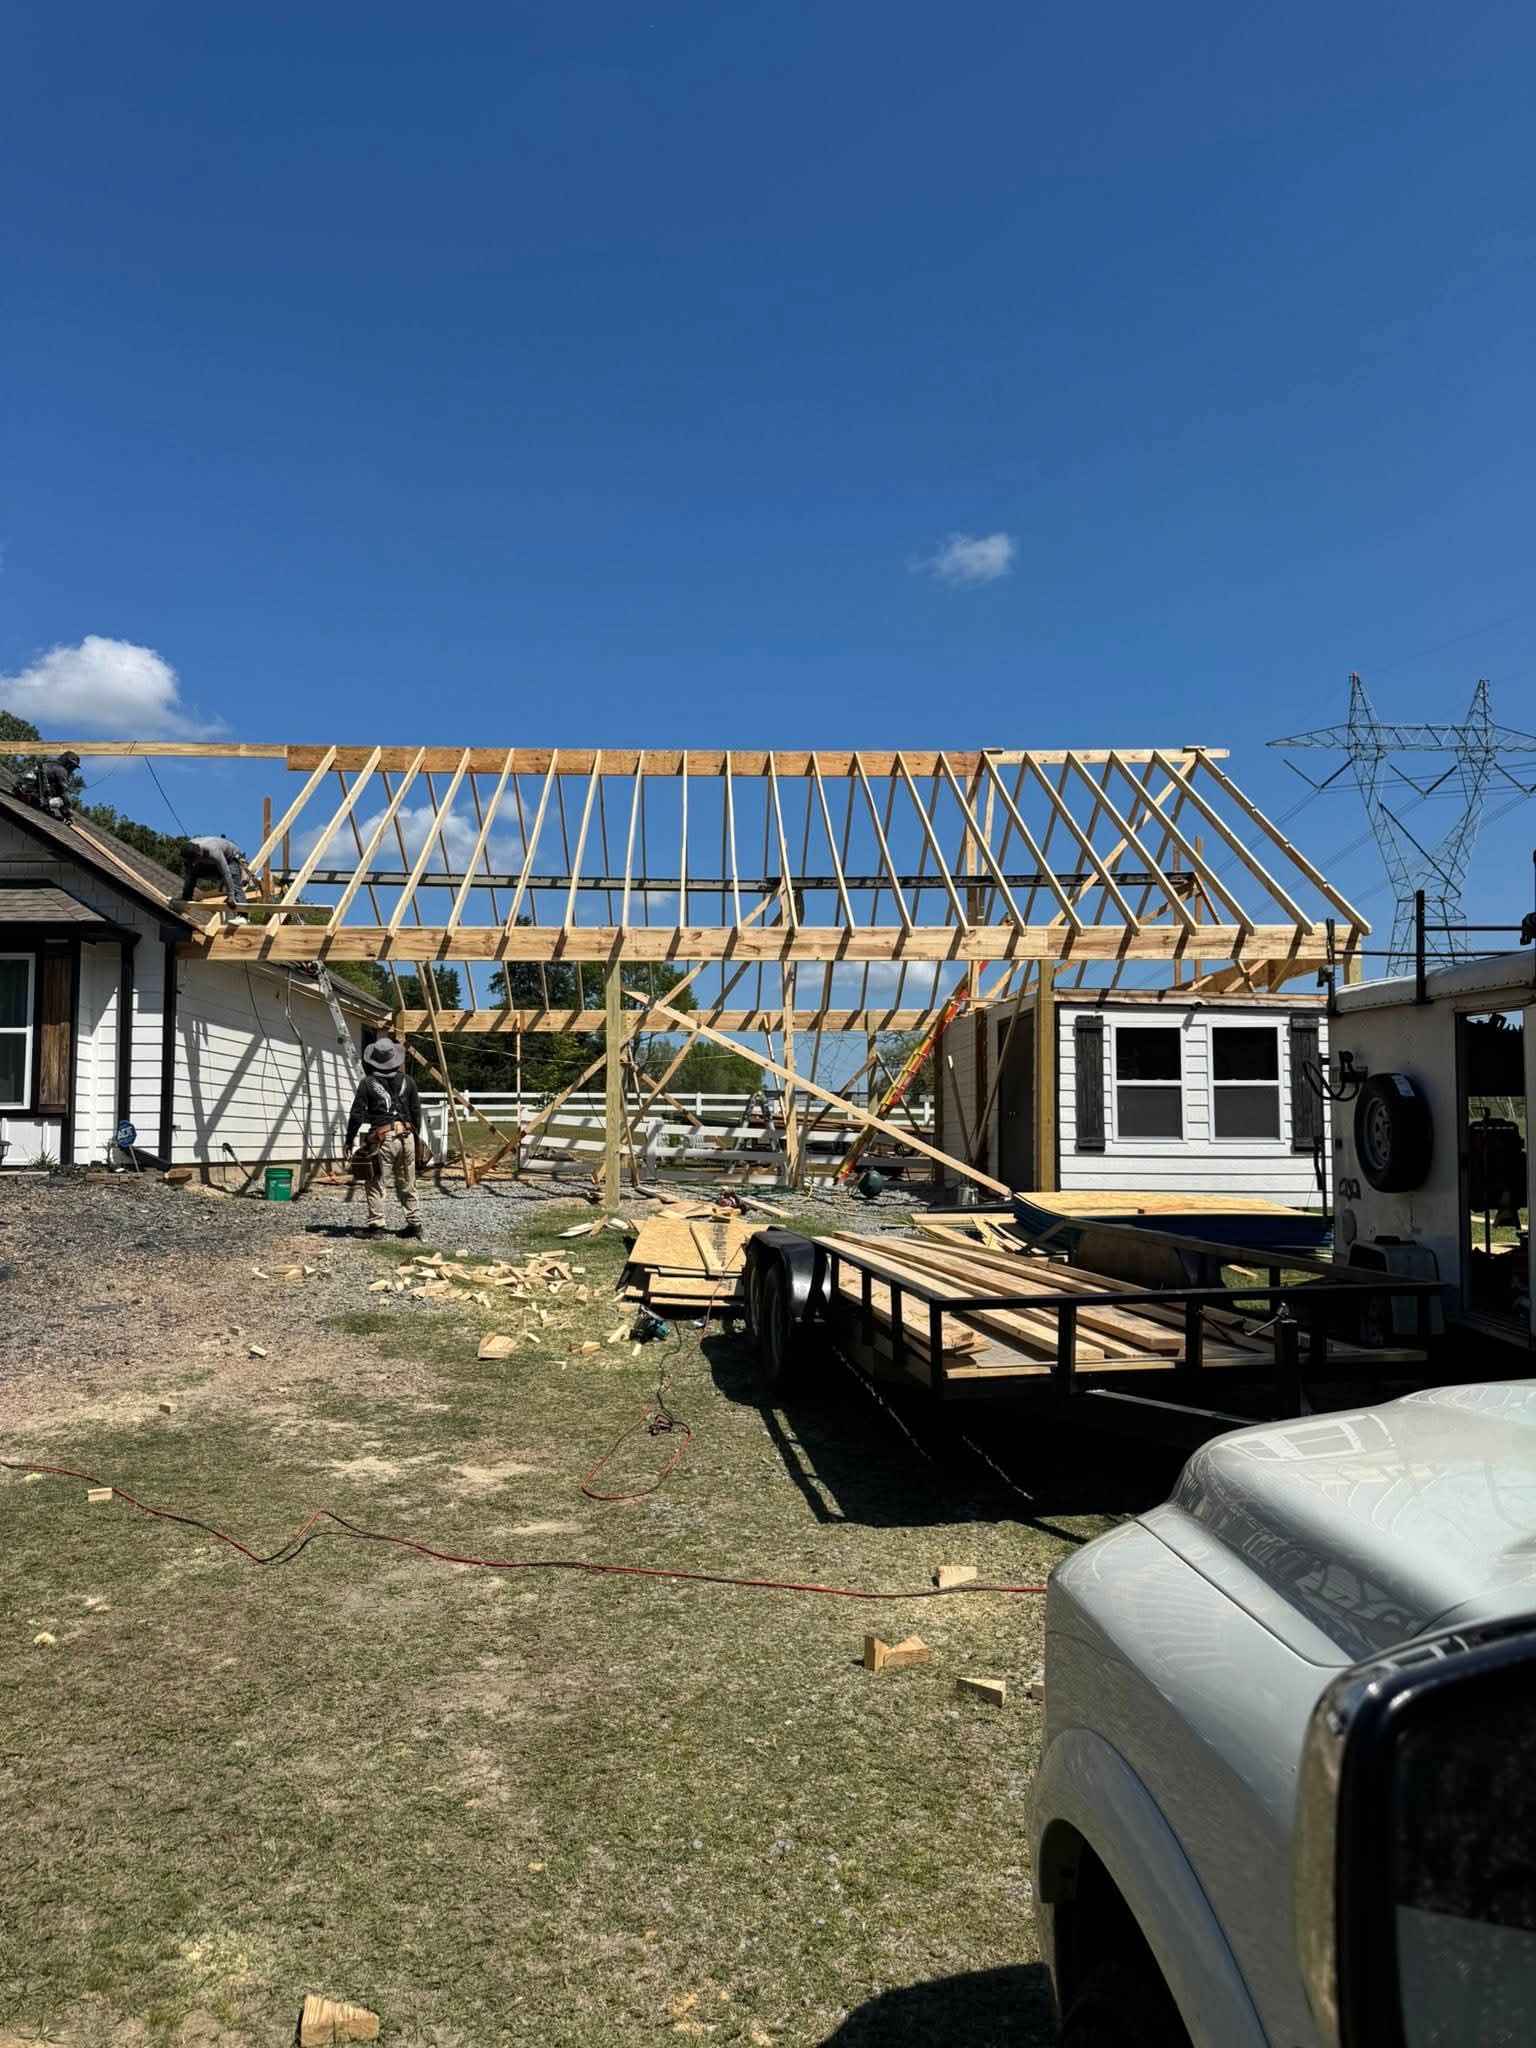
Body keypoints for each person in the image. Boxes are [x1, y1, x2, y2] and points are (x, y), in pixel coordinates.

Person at [345, 1037, 427, 1239]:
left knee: (376, 1181)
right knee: (408, 1181)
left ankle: (377, 1226)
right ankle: (414, 1224)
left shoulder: (368, 1083)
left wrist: (349, 1139)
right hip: (406, 1135)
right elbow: (416, 1112)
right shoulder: (409, 1081)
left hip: (383, 1138)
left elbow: (357, 1114)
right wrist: (416, 1139)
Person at [179, 835, 255, 923]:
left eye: (194, 860)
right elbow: (188, 874)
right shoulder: (189, 850)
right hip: (211, 862)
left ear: (198, 855)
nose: (193, 863)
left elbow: (226, 874)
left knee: (234, 882)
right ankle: (187, 897)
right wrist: (185, 895)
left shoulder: (213, 851)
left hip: (231, 858)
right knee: (192, 871)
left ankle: (243, 916)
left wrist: (231, 896)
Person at [16, 750, 81, 820]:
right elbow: (64, 793)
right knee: (63, 799)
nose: (72, 769)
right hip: (35, 798)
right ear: (67, 763)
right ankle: (43, 805)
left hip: (21, 791)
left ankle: (42, 804)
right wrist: (68, 814)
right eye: (72, 766)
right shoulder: (61, 771)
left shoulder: (46, 763)